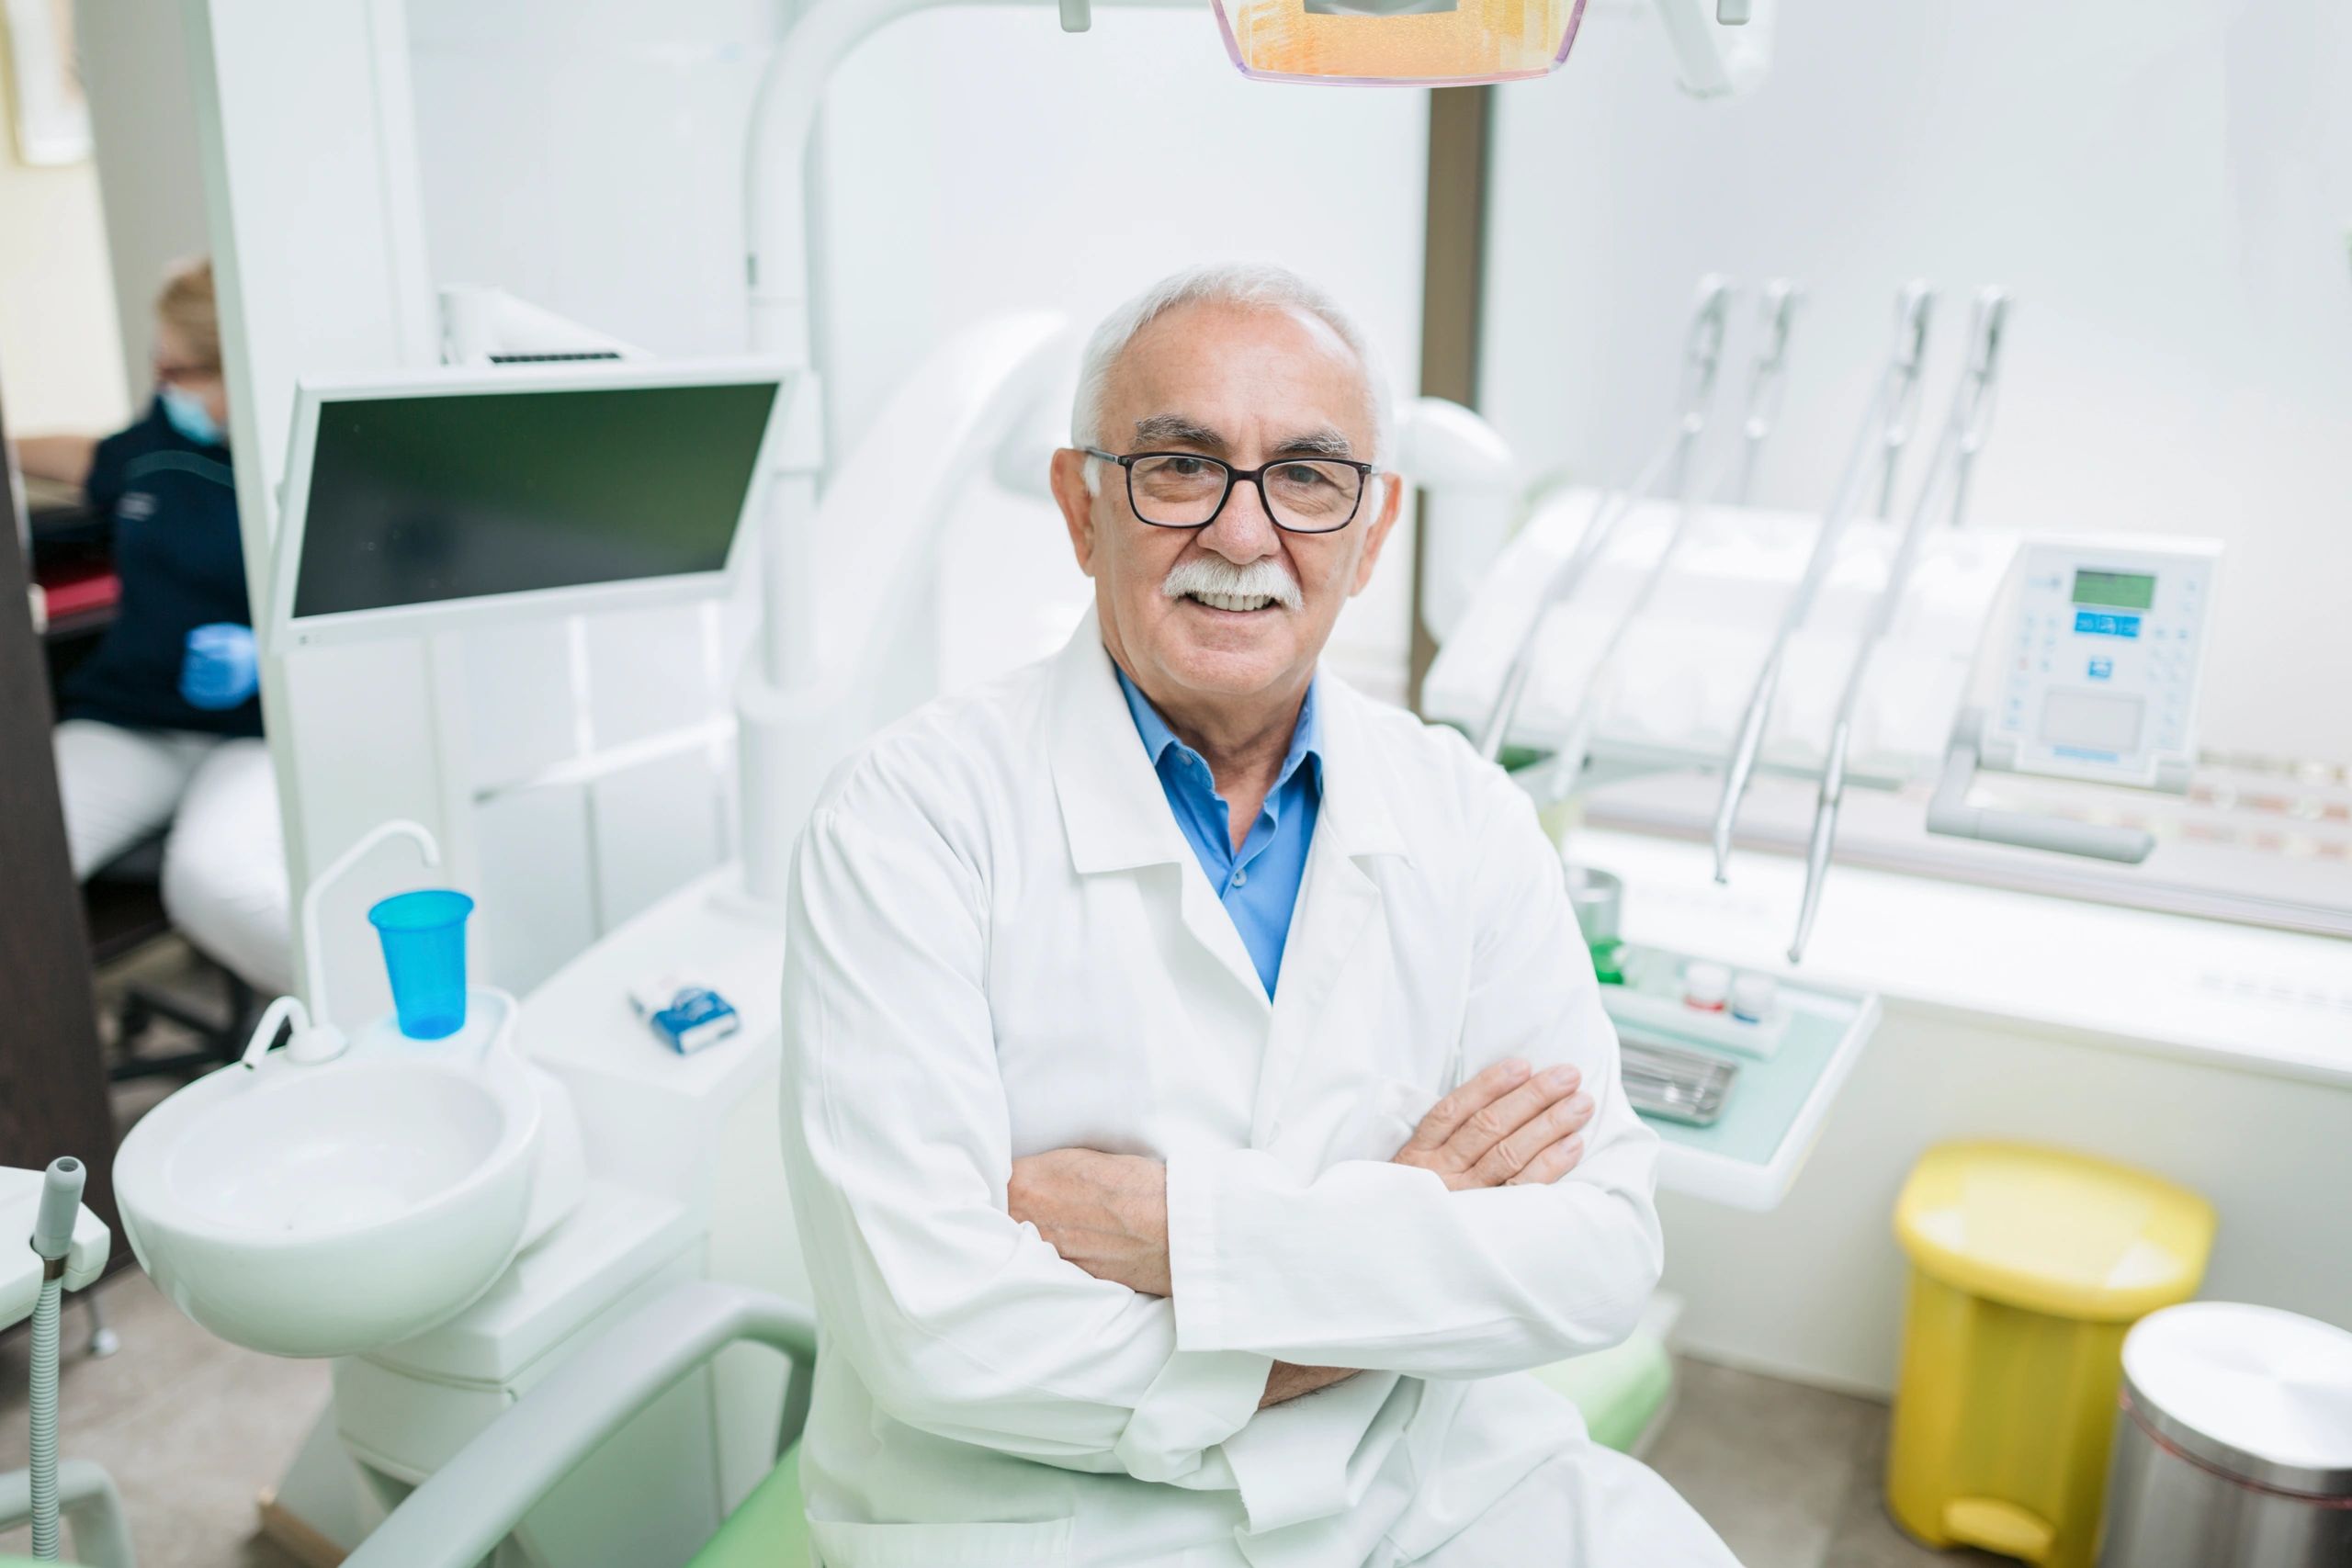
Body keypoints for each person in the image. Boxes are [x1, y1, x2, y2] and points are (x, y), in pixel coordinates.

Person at [777, 263, 1739, 1567]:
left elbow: (1597, 1252)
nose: (1243, 535)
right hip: (1052, 1521)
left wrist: (1184, 1237)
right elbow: (939, 1333)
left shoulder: (1461, 813)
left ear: (1373, 526)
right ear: (1082, 505)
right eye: (1180, 465)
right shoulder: (906, 822)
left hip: (1429, 1483)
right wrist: (1402, 1235)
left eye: (1307, 474)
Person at [14, 257, 291, 996]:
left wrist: (270, 657)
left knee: (214, 882)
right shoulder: (160, 440)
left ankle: (394, 1034)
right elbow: (92, 460)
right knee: (19, 859)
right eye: (157, 364)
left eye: (182, 369)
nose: (163, 384)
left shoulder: (304, 454)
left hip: (261, 733)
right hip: (132, 722)